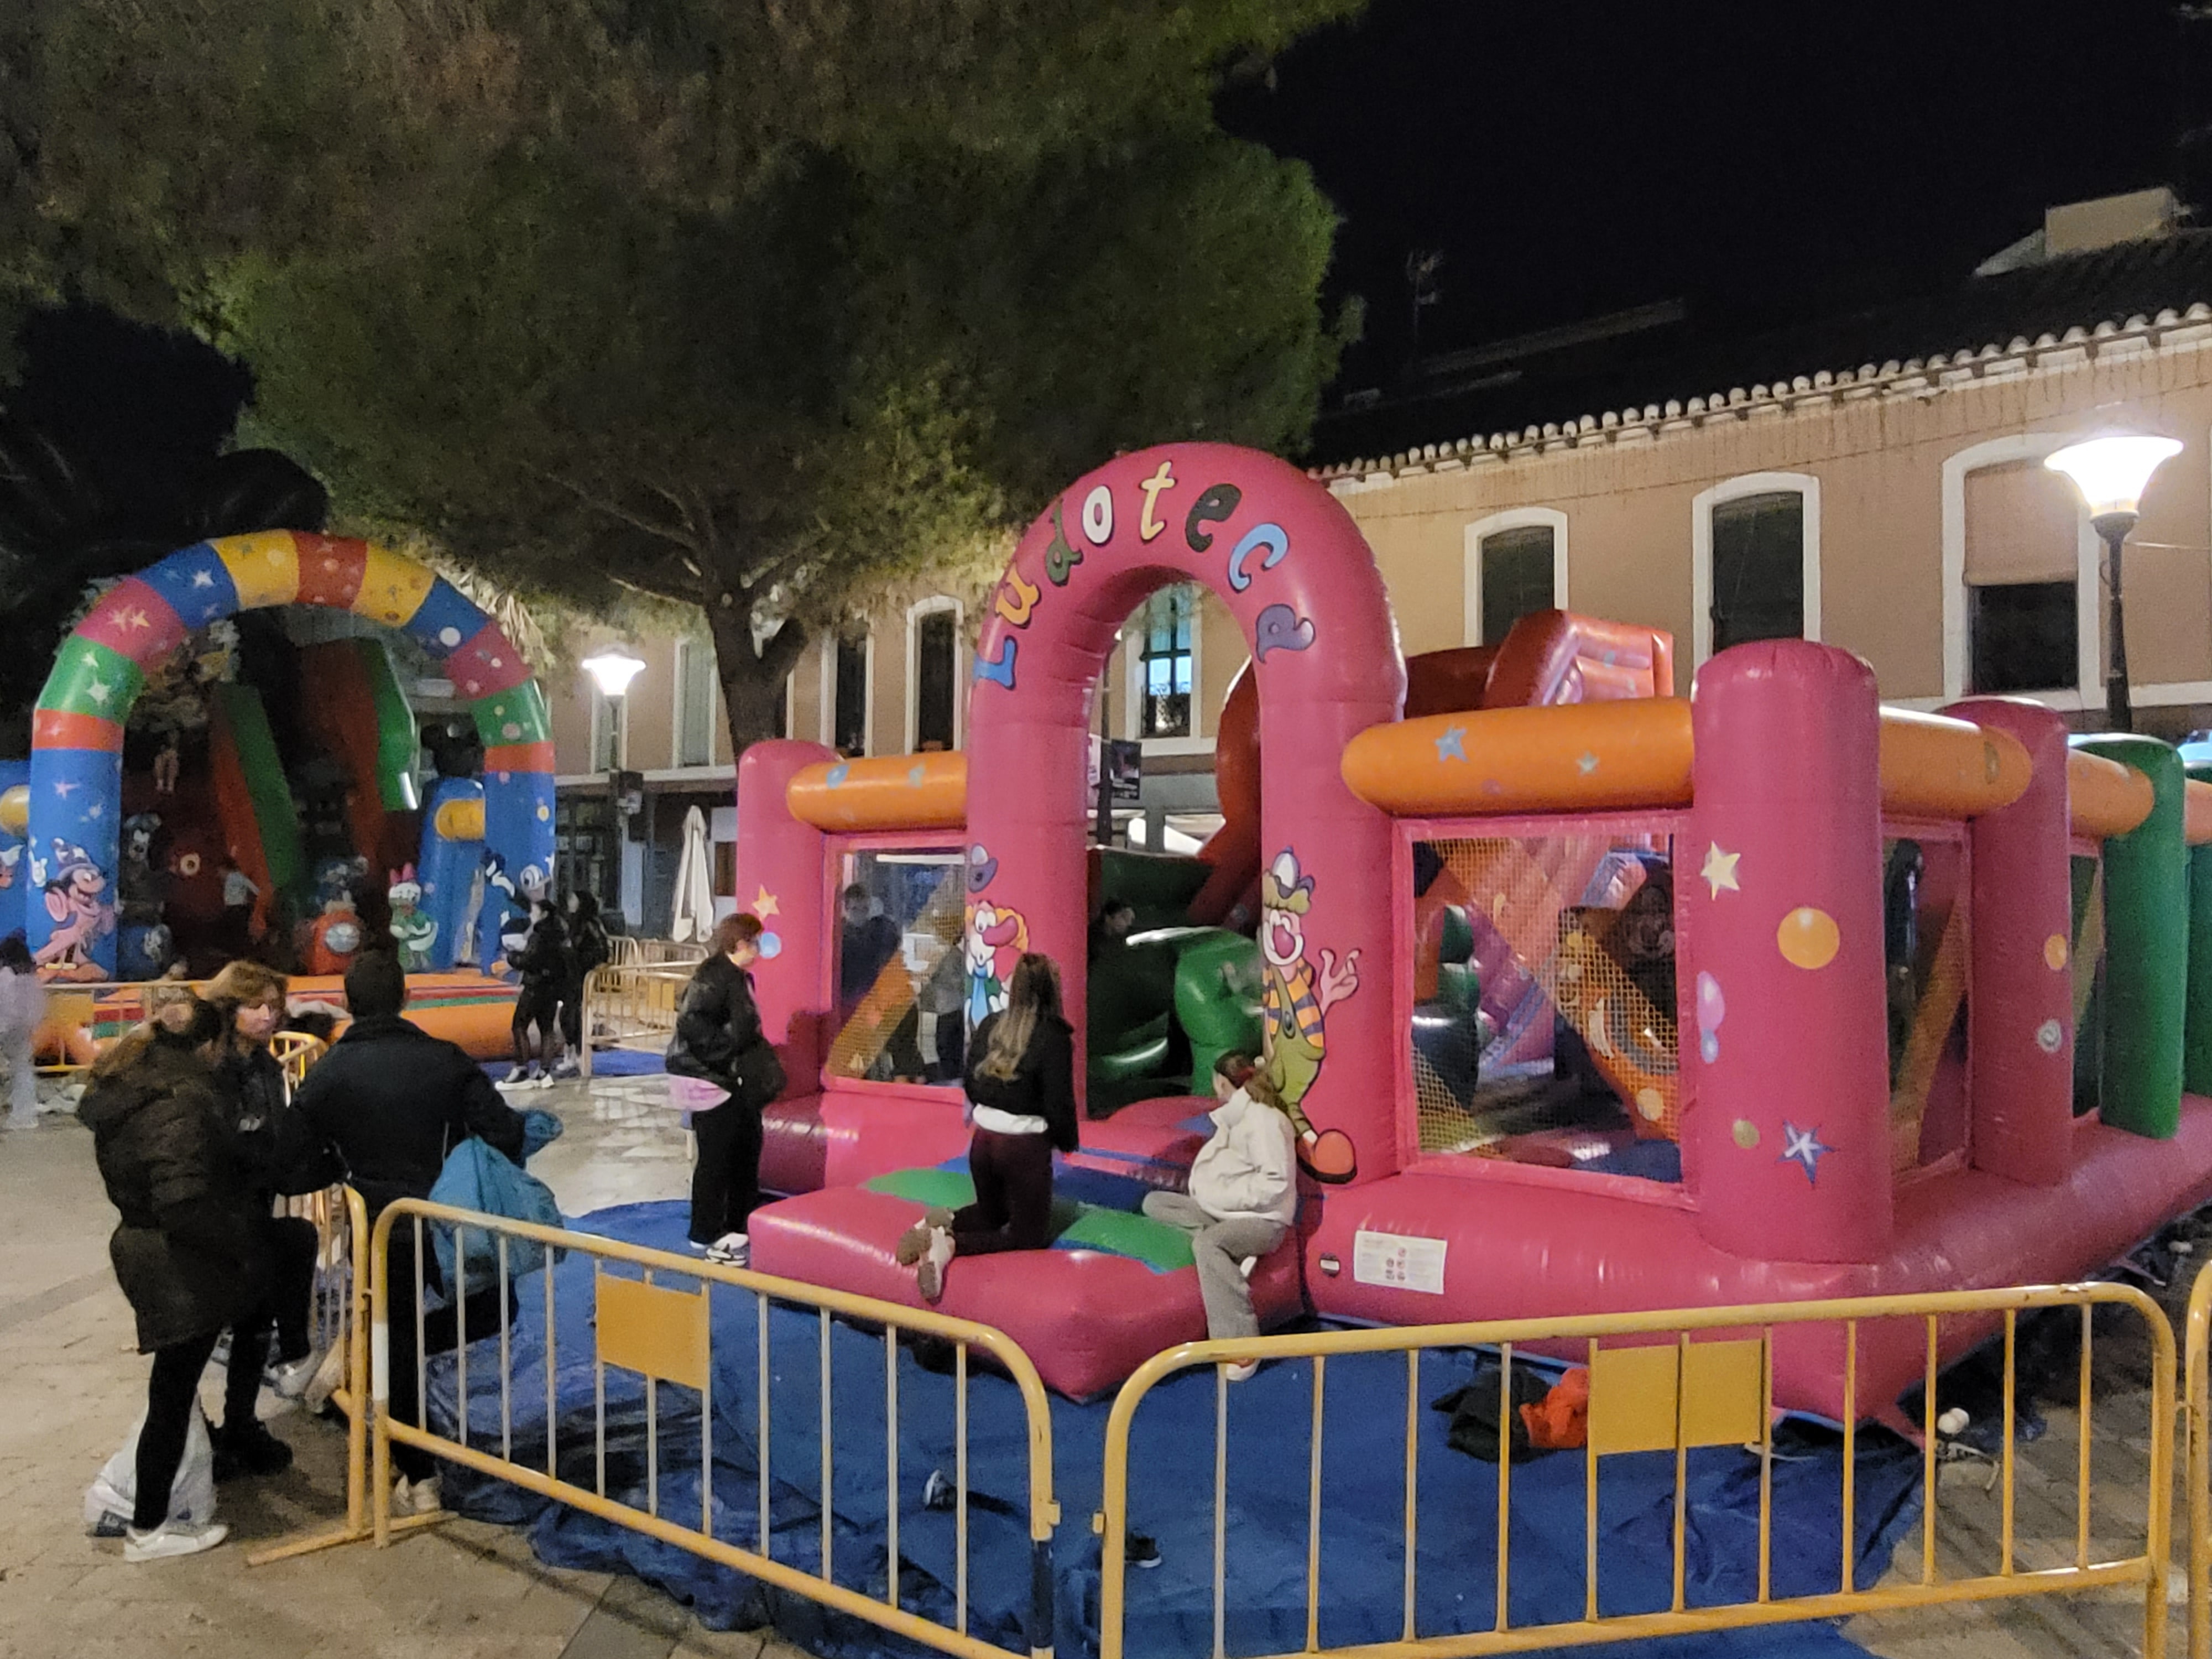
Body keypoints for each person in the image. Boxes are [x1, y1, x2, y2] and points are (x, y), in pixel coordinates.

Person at [291, 951, 526, 1514]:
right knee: (496, 1307)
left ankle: (414, 1464)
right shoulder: (445, 1060)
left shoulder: (326, 1075)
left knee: (393, 1333)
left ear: (347, 1003)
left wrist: (344, 1173)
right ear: (407, 997)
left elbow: (292, 1163)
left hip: (377, 1225)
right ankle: (404, 1429)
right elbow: (504, 1131)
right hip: (445, 1221)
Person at [81, 996, 262, 1561]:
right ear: (208, 1047)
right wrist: (237, 1247)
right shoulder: (180, 1100)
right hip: (174, 1259)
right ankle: (149, 1522)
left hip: (149, 1247)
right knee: (173, 1390)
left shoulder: (134, 1083)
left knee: (172, 1390)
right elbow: (182, 1199)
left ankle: (145, 1505)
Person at [896, 953, 1078, 1303]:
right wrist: (1066, 1140)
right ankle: (947, 1244)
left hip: (983, 1143)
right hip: (1023, 1147)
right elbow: (1059, 1102)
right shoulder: (1054, 1037)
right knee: (1027, 1237)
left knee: (991, 1212)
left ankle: (937, 1221)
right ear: (1053, 991)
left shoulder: (992, 1023)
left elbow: (971, 1082)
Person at [203, 961, 323, 1468]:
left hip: (253, 1209)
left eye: (274, 1007)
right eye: (256, 1006)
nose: (268, 1016)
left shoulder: (268, 1068)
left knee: (257, 1316)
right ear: (230, 1009)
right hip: (210, 1218)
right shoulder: (209, 1070)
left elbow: (275, 1141)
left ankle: (242, 1421)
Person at [1140, 1053, 1297, 1380]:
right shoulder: (1236, 1117)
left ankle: (1239, 1344)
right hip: (1224, 1212)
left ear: (1221, 1081)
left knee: (1210, 1244)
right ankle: (1226, 1246)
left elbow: (1275, 1181)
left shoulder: (1264, 1121)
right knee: (1155, 1203)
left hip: (1263, 1221)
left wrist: (1230, 1201)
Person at [667, 914, 781, 1267]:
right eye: (756, 941)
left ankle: (739, 1220)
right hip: (709, 1080)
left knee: (747, 1144)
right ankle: (705, 1232)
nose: (761, 948)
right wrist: (729, 1056)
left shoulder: (736, 977)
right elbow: (692, 1022)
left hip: (729, 1080)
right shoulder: (714, 976)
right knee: (717, 1155)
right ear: (741, 943)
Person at [501, 898, 570, 1089]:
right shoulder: (559, 933)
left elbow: (530, 960)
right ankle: (545, 1070)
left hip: (535, 986)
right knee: (546, 1028)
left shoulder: (540, 934)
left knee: (519, 1025)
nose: (531, 915)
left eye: (534, 911)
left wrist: (513, 957)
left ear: (544, 914)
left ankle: (521, 1068)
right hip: (552, 987)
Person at [555, 891, 612, 1077]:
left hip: (582, 976)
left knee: (576, 1016)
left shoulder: (590, 924)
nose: (570, 902)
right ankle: (570, 1054)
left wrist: (586, 963)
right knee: (566, 1015)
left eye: (574, 899)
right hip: (570, 976)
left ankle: (580, 1056)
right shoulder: (571, 922)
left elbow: (602, 950)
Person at [0, 931, 46, 1129]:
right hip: (24, 1028)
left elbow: (5, 1004)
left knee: (18, 1070)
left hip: (5, 1026)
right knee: (23, 1070)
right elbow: (38, 1006)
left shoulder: (6, 976)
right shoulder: (31, 976)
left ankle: (20, 1114)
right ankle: (24, 1114)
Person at [838, 884, 902, 1010]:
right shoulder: (839, 935)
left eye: (865, 910)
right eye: (855, 909)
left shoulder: (877, 931)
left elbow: (891, 946)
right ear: (846, 908)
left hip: (871, 999)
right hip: (846, 997)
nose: (860, 915)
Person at [217, 855, 259, 962]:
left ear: (225, 868)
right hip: (239, 909)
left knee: (237, 934)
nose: (219, 874)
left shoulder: (234, 877)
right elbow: (254, 889)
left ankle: (240, 956)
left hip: (236, 910)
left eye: (220, 871)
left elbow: (254, 889)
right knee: (240, 934)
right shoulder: (236, 877)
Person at [1088, 898, 1136, 964]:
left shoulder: (1118, 944)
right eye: (1124, 917)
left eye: (1131, 920)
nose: (1128, 924)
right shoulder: (1093, 939)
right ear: (1108, 918)